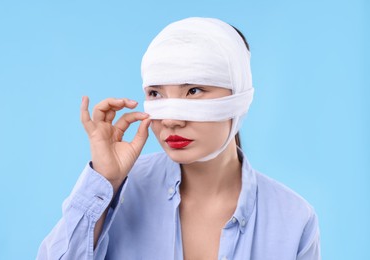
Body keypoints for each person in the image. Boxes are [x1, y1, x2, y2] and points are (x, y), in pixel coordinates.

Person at [37, 17, 321, 260]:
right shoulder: (119, 194)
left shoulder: (294, 220)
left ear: (238, 97)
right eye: (156, 94)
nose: (172, 119)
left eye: (194, 91)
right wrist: (105, 181)